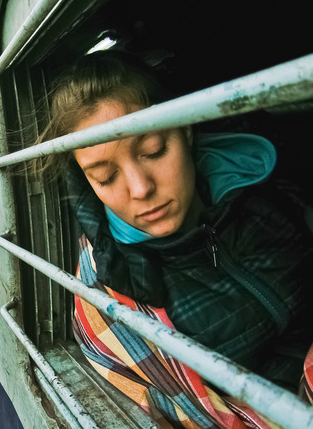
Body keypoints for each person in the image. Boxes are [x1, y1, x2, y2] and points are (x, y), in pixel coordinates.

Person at [34, 51, 313, 426]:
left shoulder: (269, 197)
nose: (140, 189)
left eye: (154, 151)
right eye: (105, 176)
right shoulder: (105, 292)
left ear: (185, 129)